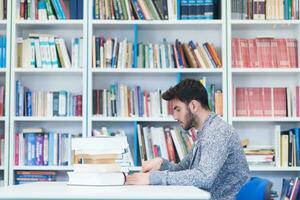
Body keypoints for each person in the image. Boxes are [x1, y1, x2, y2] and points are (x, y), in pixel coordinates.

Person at [126, 78, 250, 200]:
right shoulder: (205, 132)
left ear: (193, 106)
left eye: (178, 109)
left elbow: (204, 177)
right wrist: (162, 164)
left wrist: (151, 178)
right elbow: (182, 169)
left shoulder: (217, 131)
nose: (175, 116)